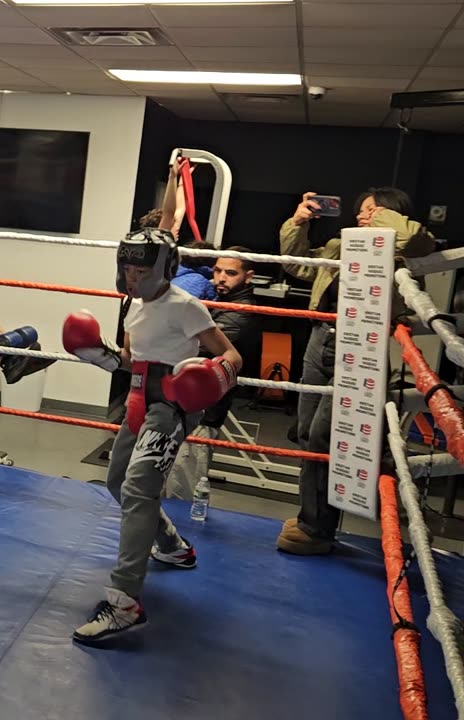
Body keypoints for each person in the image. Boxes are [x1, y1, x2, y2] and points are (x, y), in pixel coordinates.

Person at [63, 227, 242, 643]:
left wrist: (211, 378)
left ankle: (125, 602)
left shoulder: (186, 306)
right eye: (127, 267)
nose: (132, 277)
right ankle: (174, 546)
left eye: (141, 269)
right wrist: (99, 355)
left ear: (164, 269)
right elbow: (132, 359)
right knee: (116, 481)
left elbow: (232, 355)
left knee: (140, 487)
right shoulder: (134, 305)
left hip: (172, 405)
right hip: (138, 399)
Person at [275, 189, 434, 555]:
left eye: (373, 211)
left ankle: (316, 529)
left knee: (324, 436)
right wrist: (297, 223)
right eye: (362, 210)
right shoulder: (339, 246)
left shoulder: (404, 254)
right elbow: (294, 263)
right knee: (305, 431)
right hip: (321, 338)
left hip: (362, 346)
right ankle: (311, 517)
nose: (363, 216)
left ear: (391, 214)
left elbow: (415, 238)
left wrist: (381, 221)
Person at [164, 249, 259, 500]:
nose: (221, 278)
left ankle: (182, 535)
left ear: (248, 276)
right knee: (166, 475)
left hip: (206, 409)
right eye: (217, 271)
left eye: (230, 273)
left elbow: (203, 344)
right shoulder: (213, 297)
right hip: (185, 401)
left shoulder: (242, 309)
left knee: (182, 483)